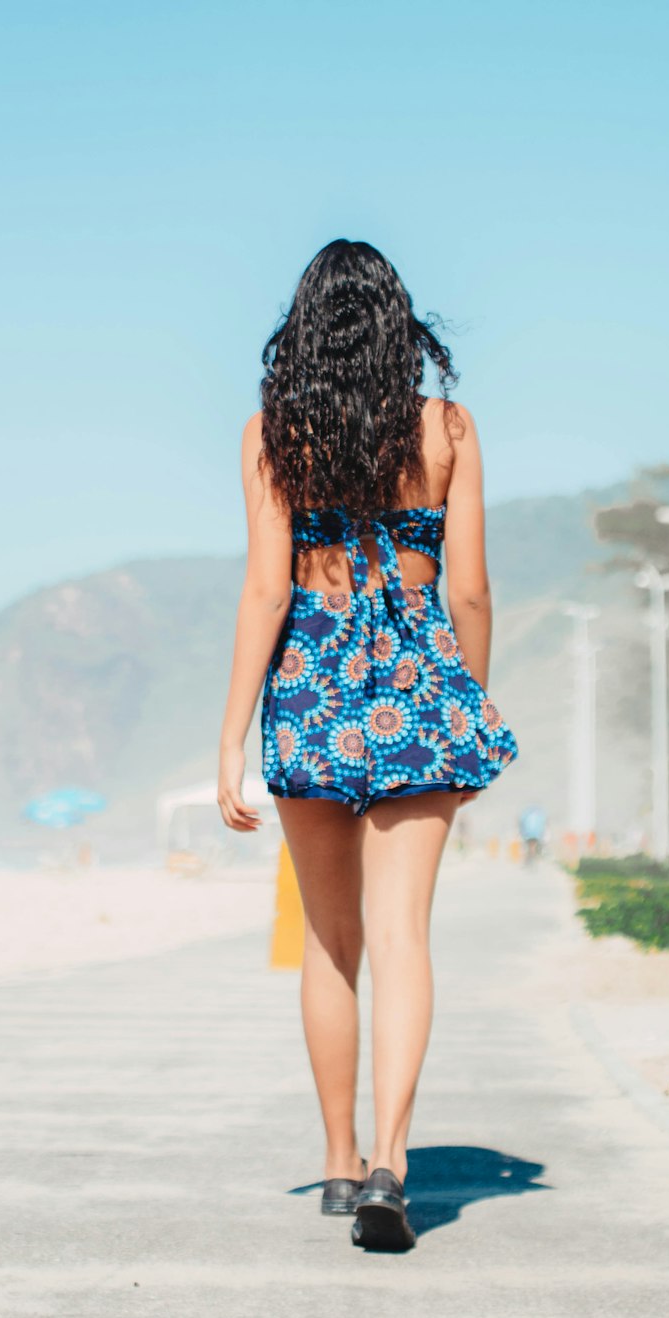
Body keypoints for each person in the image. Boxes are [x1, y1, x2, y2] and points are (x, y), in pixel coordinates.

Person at [217, 239, 519, 1252]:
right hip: (420, 695)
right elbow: (467, 587)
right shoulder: (446, 428)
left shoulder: (275, 434)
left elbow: (266, 590)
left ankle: (339, 1167)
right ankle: (396, 1157)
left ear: (303, 327)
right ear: (399, 323)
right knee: (404, 939)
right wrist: (468, 706)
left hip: (310, 688)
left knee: (329, 942)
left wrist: (230, 743)